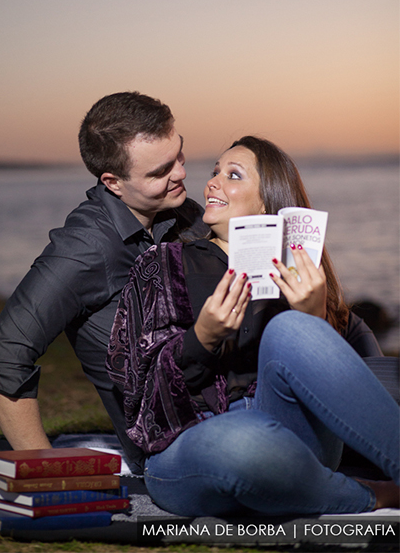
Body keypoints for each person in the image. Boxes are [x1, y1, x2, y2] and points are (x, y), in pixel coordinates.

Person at [107, 136, 399, 515]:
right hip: (196, 445)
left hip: (293, 439)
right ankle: (369, 496)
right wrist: (201, 338)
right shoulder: (163, 263)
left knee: (292, 329)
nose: (212, 182)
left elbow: (341, 389)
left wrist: (312, 316)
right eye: (214, 172)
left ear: (267, 202)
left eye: (233, 175)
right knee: (244, 441)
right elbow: (135, 390)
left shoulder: (295, 272)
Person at [0, 92, 207, 472]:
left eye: (178, 156)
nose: (181, 174)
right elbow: (3, 356)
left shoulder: (178, 213)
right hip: (173, 447)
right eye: (159, 172)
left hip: (234, 403)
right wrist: (45, 472)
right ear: (113, 183)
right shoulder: (87, 246)